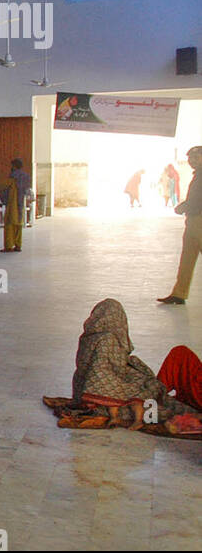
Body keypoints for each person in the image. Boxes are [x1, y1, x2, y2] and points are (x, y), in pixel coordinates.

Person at [43, 298, 202, 436]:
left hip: (85, 393)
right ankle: (144, 409)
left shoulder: (88, 338)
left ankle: (153, 400)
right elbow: (107, 373)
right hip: (102, 397)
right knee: (147, 392)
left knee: (155, 378)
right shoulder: (108, 340)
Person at [158, 146, 202, 306]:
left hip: (199, 220)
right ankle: (179, 293)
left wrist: (183, 207)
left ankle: (179, 293)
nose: (192, 161)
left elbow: (197, 201)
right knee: (186, 260)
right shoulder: (197, 175)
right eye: (190, 158)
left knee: (188, 258)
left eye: (196, 157)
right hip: (193, 221)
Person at [0, 158, 31, 253]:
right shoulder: (26, 176)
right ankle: (18, 245)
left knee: (9, 224)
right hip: (21, 202)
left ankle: (8, 246)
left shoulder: (12, 176)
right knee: (19, 223)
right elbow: (27, 190)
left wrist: (3, 200)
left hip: (12, 203)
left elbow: (6, 189)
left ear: (14, 166)